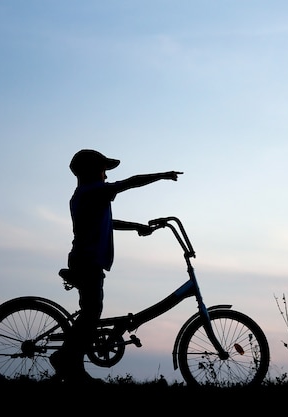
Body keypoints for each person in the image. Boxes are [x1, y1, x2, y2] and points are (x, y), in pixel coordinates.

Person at [50, 149, 182, 383]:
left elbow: (108, 223)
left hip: (86, 260)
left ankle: (70, 361)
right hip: (87, 261)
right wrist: (161, 175)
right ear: (92, 172)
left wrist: (137, 226)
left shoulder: (85, 195)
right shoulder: (93, 191)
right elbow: (130, 183)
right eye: (103, 171)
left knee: (91, 312)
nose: (106, 176)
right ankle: (67, 361)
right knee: (91, 313)